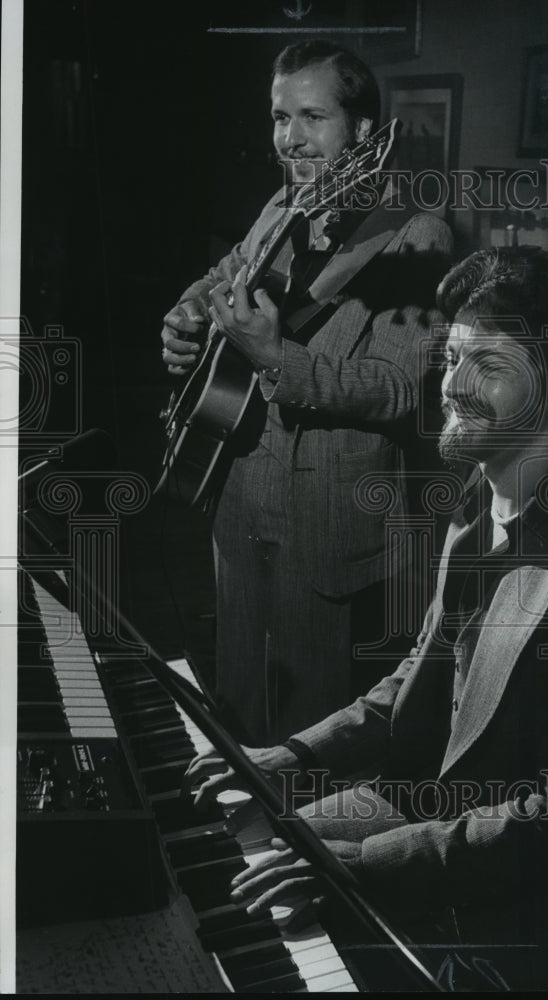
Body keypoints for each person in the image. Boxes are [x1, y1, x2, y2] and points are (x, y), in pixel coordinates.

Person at [185, 246, 548, 990]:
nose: (449, 386)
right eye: (450, 358)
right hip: (420, 802)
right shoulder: (476, 504)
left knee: (261, 918)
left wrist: (361, 863)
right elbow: (415, 681)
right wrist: (288, 756)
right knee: (222, 856)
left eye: (484, 365)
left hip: (512, 889)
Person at [160, 41, 453, 744]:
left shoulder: (414, 232)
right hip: (236, 495)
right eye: (278, 116)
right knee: (237, 699)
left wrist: (273, 356)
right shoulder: (284, 202)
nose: (289, 138)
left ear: (359, 129)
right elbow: (225, 271)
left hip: (328, 521)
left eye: (311, 116)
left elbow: (397, 388)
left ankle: (303, 855)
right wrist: (186, 313)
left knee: (311, 732)